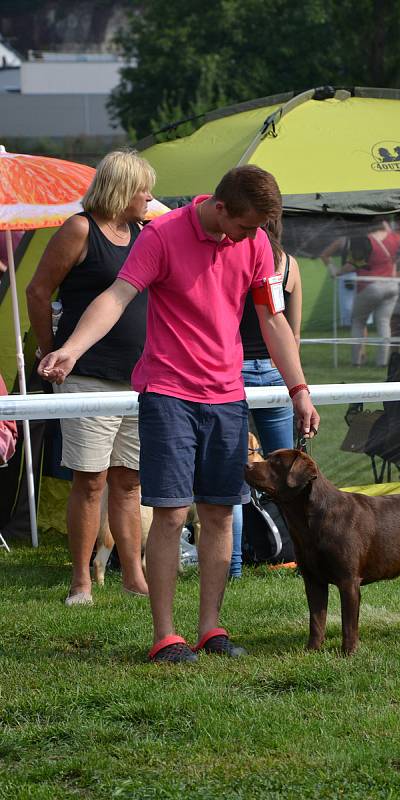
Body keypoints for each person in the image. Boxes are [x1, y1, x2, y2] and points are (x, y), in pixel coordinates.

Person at [38, 165, 320, 664]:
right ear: (219, 208)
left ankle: (211, 630)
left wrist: (298, 387)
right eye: (245, 226)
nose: (251, 237)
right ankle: (166, 637)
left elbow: (271, 318)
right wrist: (72, 349)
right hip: (168, 394)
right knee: (168, 514)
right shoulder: (163, 235)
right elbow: (116, 297)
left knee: (218, 512)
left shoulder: (254, 245)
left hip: (228, 396)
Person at [27, 150, 155, 605]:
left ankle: (133, 575)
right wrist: (49, 350)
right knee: (91, 481)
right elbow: (38, 291)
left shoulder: (145, 233)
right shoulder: (79, 229)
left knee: (130, 482)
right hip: (89, 378)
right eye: (143, 188)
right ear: (121, 188)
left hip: (139, 379)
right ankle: (81, 580)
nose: (149, 196)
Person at [230, 214, 302, 578]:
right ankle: (296, 552)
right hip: (275, 372)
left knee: (236, 472)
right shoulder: (290, 265)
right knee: (289, 471)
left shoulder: (235, 258)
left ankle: (236, 566)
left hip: (235, 370)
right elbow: (293, 335)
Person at [330, 220, 400, 367]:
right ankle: (382, 362)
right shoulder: (395, 238)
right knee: (384, 322)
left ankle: (356, 361)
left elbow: (353, 265)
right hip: (392, 286)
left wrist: (337, 272)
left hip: (370, 286)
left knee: (358, 321)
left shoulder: (364, 240)